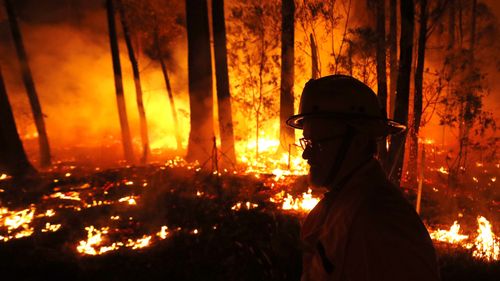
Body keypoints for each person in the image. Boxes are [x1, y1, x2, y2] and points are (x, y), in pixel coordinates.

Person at [286, 75, 440, 281]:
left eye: (319, 144)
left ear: (358, 142)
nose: (306, 155)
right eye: (307, 142)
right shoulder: (340, 203)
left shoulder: (382, 223)